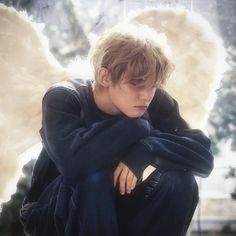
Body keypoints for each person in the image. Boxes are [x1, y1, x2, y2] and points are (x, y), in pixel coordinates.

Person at [20, 24, 213, 236]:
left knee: (180, 181)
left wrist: (146, 150)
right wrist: (135, 127)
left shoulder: (153, 99)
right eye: (137, 84)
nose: (146, 96)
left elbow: (202, 156)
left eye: (152, 85)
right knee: (93, 178)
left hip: (114, 206)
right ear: (105, 77)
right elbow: (73, 164)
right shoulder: (64, 98)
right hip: (54, 210)